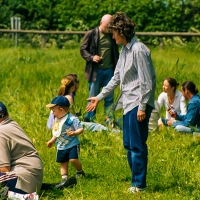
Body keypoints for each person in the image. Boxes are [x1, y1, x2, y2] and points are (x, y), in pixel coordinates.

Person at [86, 12, 156, 194]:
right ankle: (135, 181)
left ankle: (140, 185)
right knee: (128, 144)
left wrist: (142, 107)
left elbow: (147, 81)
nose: (112, 36)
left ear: (122, 32)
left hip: (138, 104)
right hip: (127, 104)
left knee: (137, 145)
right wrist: (99, 97)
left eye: (114, 33)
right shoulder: (125, 50)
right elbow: (116, 78)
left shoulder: (139, 50)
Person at [80, 14, 119, 122]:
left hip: (110, 70)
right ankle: (90, 120)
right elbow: (83, 50)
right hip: (95, 72)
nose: (109, 29)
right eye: (107, 27)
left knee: (109, 98)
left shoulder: (112, 35)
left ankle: (109, 121)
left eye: (110, 27)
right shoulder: (91, 34)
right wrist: (92, 57)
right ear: (101, 23)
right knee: (93, 97)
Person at [0, 102, 43, 196]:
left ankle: (21, 197)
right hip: (32, 176)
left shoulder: (1, 133)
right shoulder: (11, 123)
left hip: (23, 178)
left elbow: (4, 169)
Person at [46, 96, 85, 189]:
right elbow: (56, 133)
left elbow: (81, 129)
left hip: (72, 144)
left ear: (61, 109)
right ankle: (64, 178)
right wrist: (52, 141)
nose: (52, 113)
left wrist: (74, 133)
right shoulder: (57, 120)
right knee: (63, 162)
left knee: (73, 160)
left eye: (53, 110)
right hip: (61, 146)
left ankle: (80, 171)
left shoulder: (72, 119)